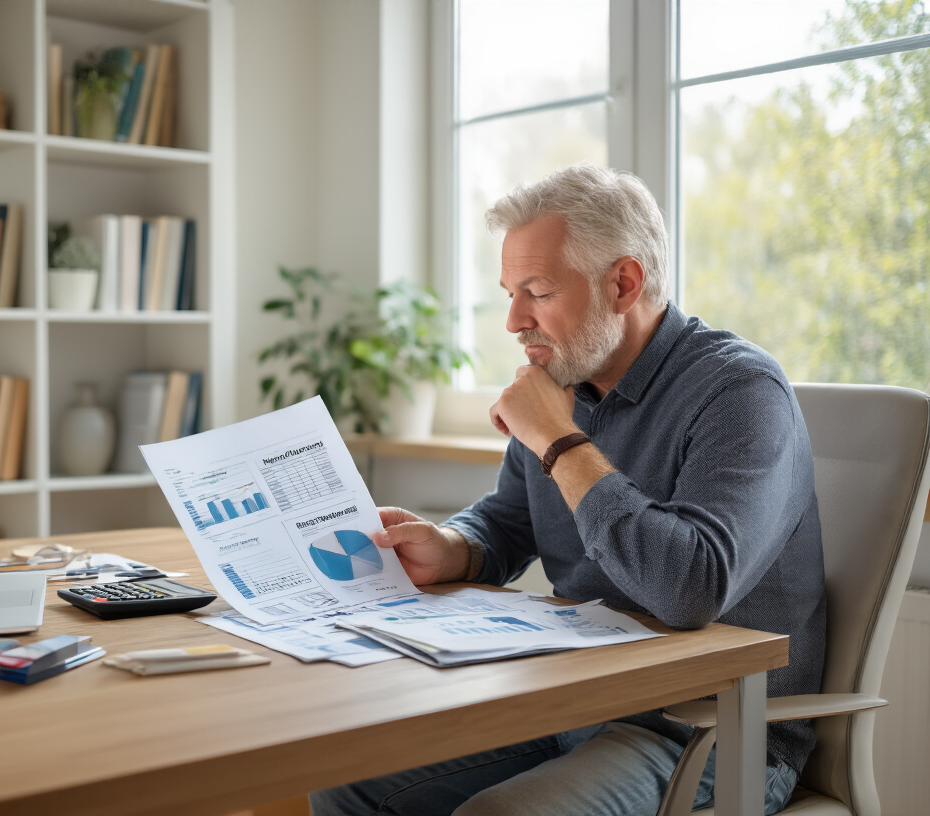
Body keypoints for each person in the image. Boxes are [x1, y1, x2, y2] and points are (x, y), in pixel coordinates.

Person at [310, 165, 825, 816]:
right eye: (509, 292)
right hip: (575, 700)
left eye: (538, 291)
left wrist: (558, 441)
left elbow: (688, 588)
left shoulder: (740, 393)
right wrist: (453, 545)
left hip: (708, 728)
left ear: (623, 283)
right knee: (346, 780)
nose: (514, 320)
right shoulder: (566, 383)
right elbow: (510, 520)